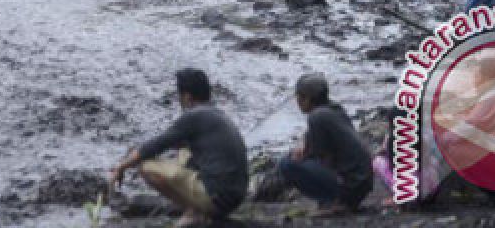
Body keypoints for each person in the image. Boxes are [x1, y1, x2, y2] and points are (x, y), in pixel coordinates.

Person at [108, 68, 248, 226]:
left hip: (216, 198)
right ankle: (198, 208)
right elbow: (177, 144)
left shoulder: (193, 116)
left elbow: (154, 146)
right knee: (184, 151)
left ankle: (194, 211)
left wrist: (121, 166)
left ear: (187, 97)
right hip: (235, 197)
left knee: (145, 166)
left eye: (179, 96)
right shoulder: (216, 115)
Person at [278, 74, 373, 215]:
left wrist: (301, 156)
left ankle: (334, 201)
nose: (297, 101)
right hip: (363, 182)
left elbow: (322, 157)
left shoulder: (316, 117)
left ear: (307, 99)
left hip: (350, 186)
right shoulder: (335, 109)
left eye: (298, 97)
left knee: (286, 164)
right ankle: (336, 200)